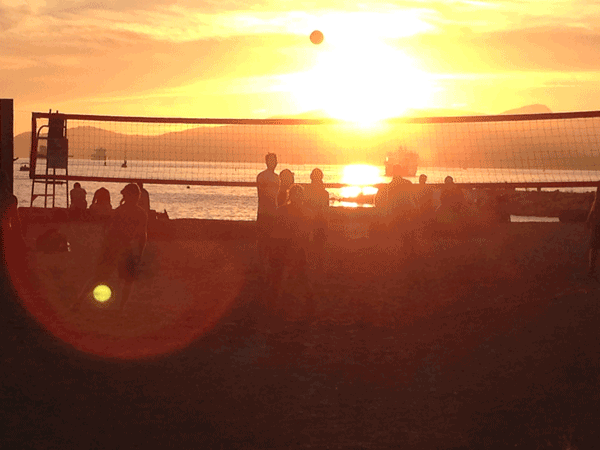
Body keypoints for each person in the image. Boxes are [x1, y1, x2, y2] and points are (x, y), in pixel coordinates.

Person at [71, 183, 148, 311]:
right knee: (124, 281)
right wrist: (139, 252)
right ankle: (119, 308)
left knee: (102, 278)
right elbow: (141, 236)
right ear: (137, 196)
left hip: (116, 247)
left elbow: (112, 232)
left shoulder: (121, 211)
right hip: (121, 248)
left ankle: (80, 302)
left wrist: (106, 249)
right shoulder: (136, 213)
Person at [268, 184, 315, 317]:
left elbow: (276, 231)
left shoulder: (282, 211)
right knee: (300, 277)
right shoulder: (308, 212)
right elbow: (308, 234)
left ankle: (276, 303)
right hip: (297, 248)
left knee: (281, 276)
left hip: (285, 247)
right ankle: (308, 303)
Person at [256, 153, 280, 272]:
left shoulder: (276, 177)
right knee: (263, 240)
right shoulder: (262, 176)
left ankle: (267, 264)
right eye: (271, 160)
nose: (274, 163)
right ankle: (262, 264)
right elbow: (264, 195)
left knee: (270, 240)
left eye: (275, 160)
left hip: (273, 213)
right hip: (265, 212)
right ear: (266, 162)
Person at [0, 170, 26, 279]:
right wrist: (22, 243)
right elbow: (16, 225)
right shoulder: (11, 199)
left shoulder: (11, 200)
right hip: (5, 235)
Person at [304, 168, 329, 273]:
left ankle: (314, 265)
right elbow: (326, 208)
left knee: (313, 245)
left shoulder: (307, 190)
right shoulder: (324, 192)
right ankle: (319, 265)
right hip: (318, 220)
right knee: (318, 245)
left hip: (313, 220)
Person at [586, 183, 600, 278]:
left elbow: (596, 200)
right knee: (594, 245)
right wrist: (589, 217)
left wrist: (589, 217)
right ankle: (591, 268)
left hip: (596, 218)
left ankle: (591, 269)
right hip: (597, 218)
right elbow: (596, 200)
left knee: (594, 246)